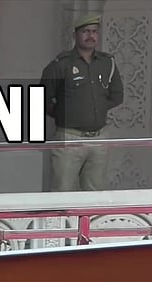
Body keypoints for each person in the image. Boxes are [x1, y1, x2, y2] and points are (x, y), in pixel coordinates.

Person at [40, 13, 123, 191]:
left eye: (94, 31)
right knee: (63, 193)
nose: (90, 36)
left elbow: (117, 95)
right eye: (85, 31)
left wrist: (95, 109)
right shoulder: (60, 64)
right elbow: (42, 99)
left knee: (94, 195)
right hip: (69, 138)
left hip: (99, 139)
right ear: (75, 35)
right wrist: (67, 112)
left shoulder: (107, 63)